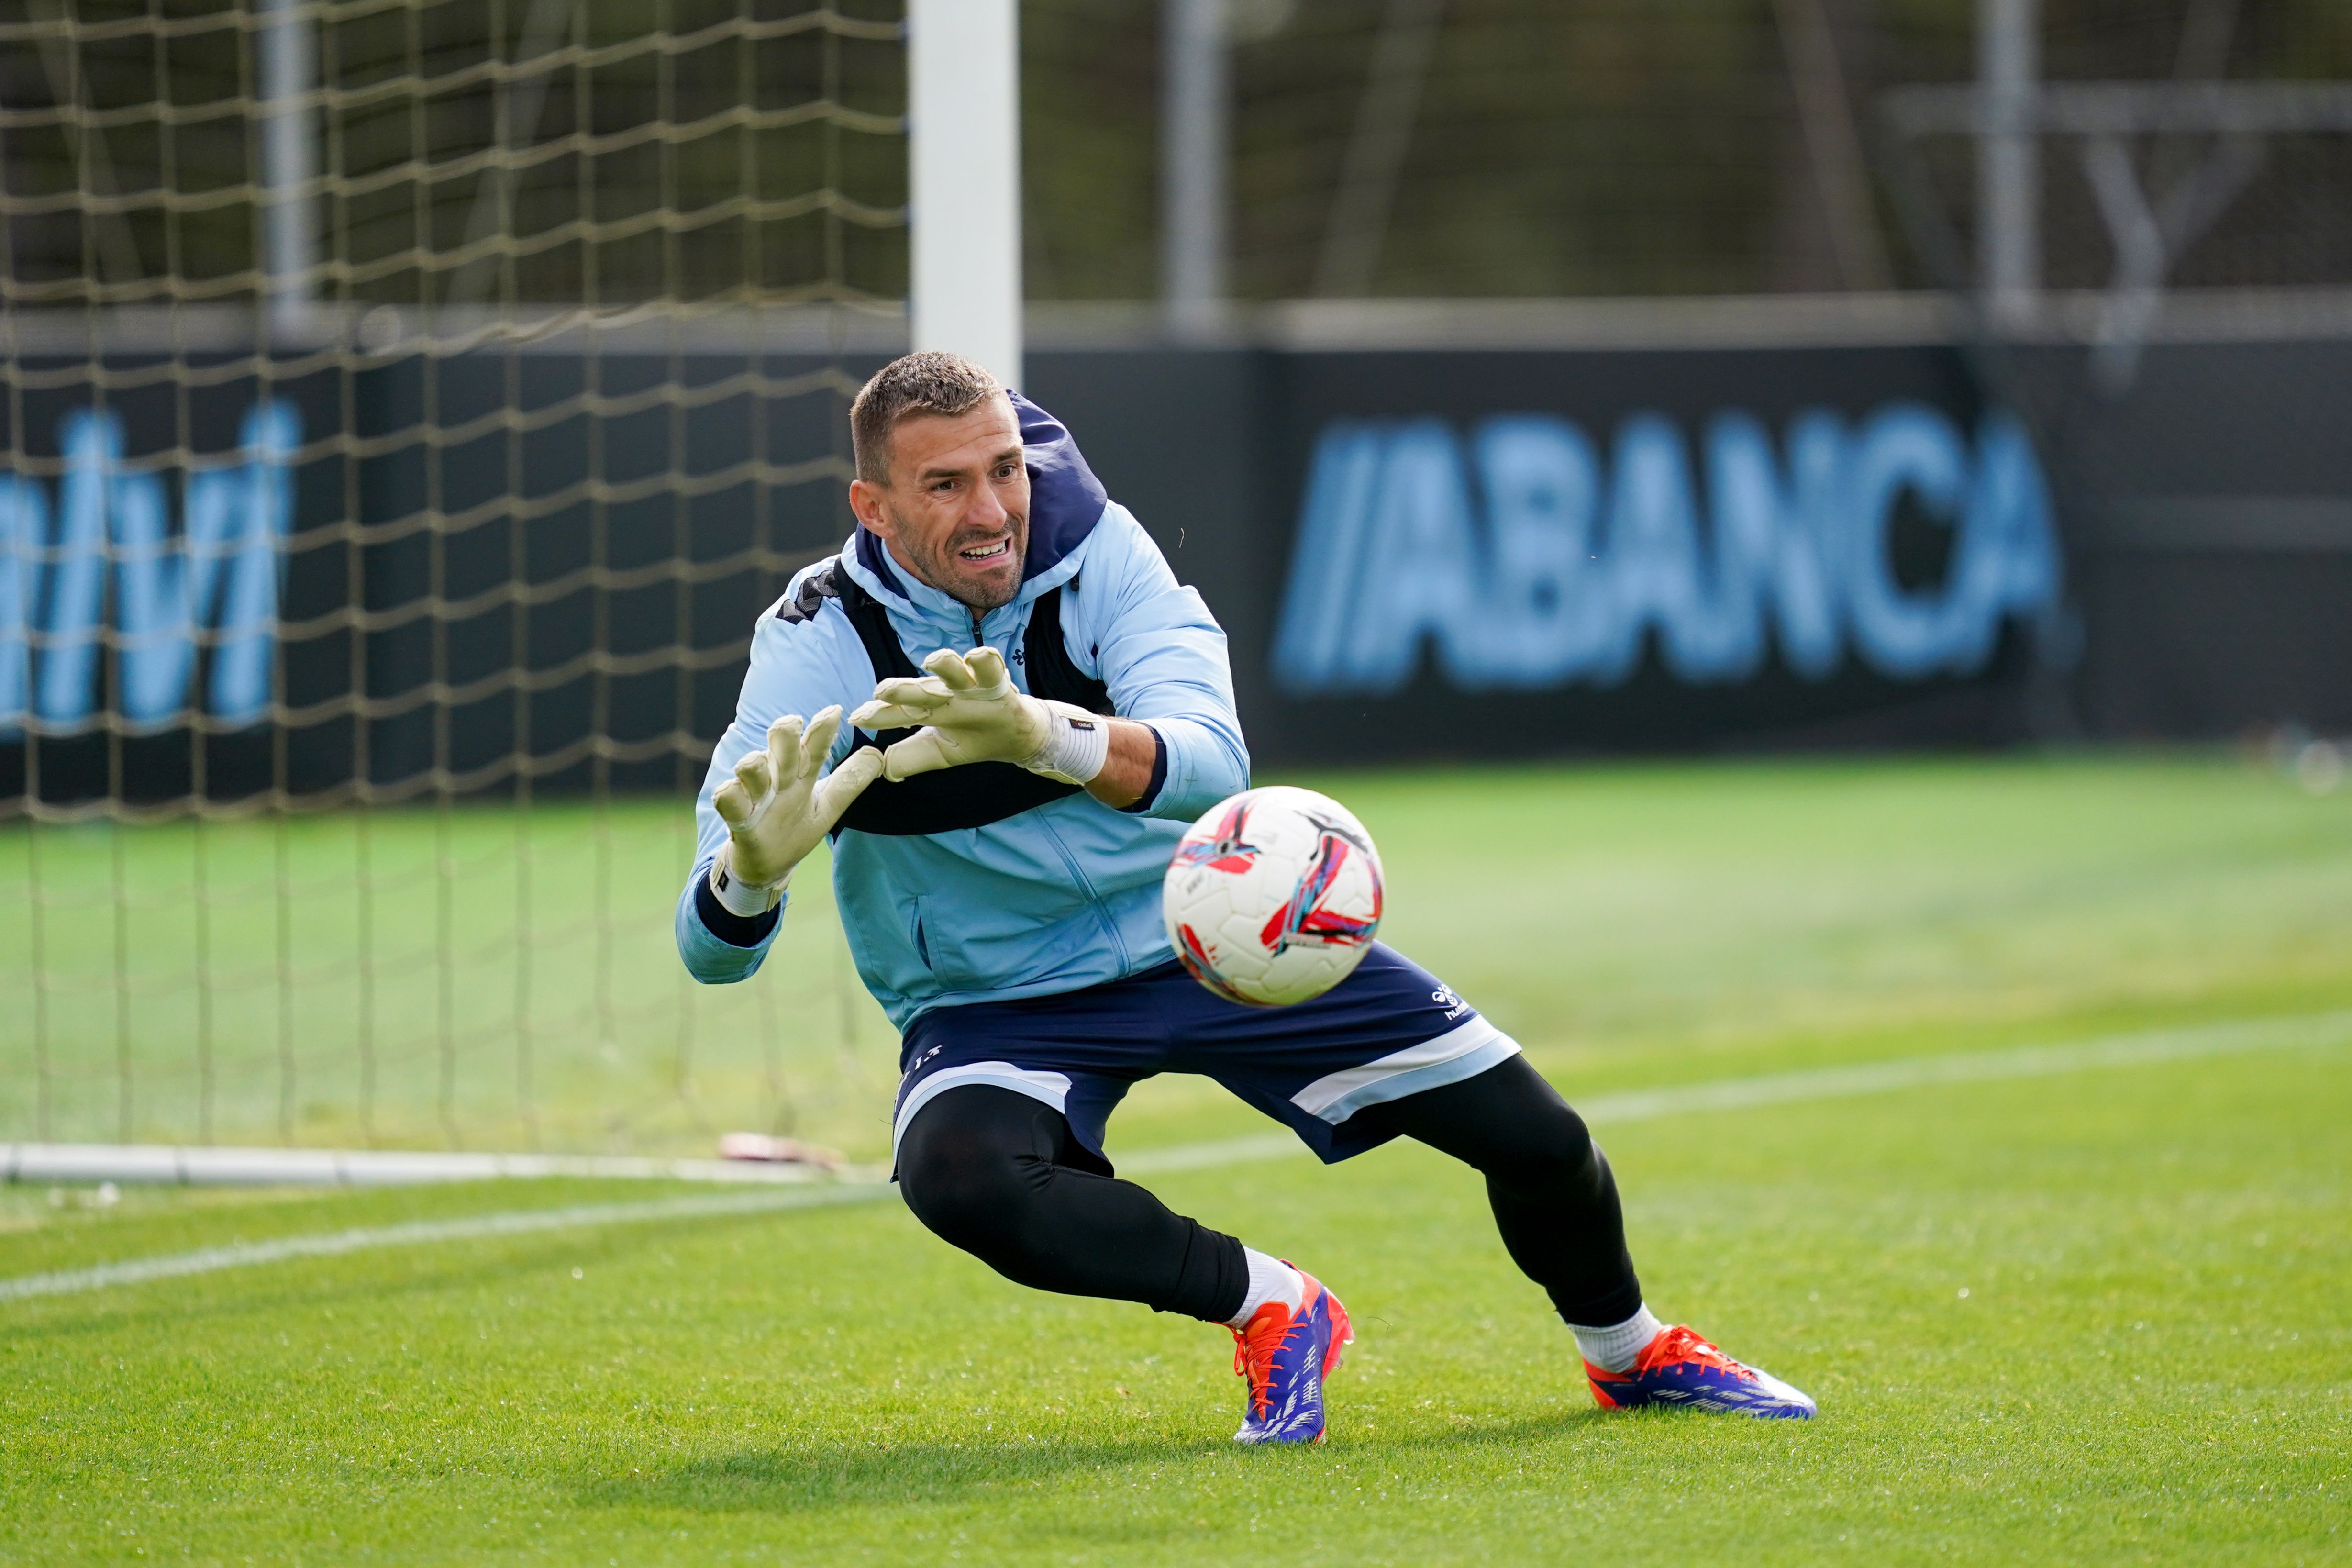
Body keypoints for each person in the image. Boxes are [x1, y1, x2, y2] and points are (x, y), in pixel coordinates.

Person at [675, 352, 1814, 1441]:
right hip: (996, 991)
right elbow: (710, 952)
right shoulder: (820, 637)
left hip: (1210, 932)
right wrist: (752, 874)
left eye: (1004, 470)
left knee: (1541, 1141)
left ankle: (1630, 1353)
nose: (991, 512)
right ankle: (1273, 1304)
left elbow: (1213, 762)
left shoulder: (1102, 555)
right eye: (945, 485)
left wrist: (1037, 733)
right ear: (872, 507)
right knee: (960, 1177)